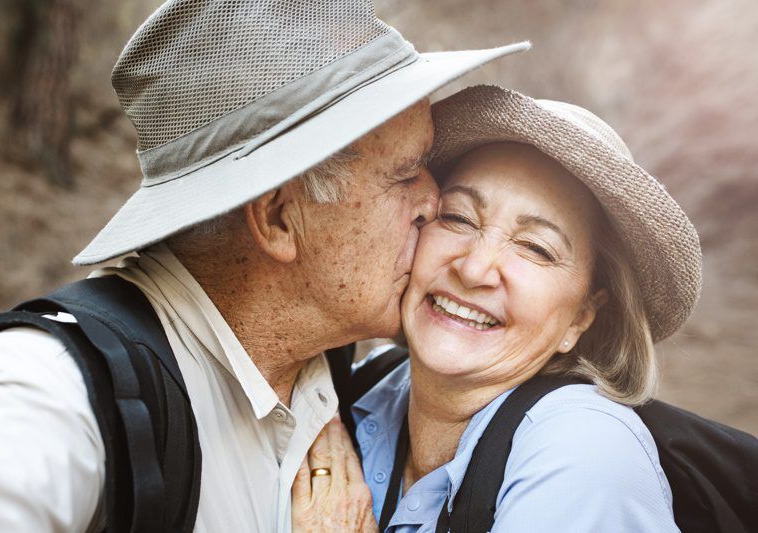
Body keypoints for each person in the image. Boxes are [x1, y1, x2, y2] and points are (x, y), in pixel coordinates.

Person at [0, 1, 530, 531]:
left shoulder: (330, 368)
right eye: (405, 174)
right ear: (280, 218)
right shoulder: (44, 395)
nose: (435, 202)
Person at [293, 85, 701, 531]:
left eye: (535, 248)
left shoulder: (585, 452)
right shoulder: (369, 385)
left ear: (584, 315)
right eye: (459, 218)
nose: (473, 270)